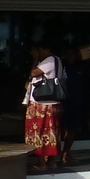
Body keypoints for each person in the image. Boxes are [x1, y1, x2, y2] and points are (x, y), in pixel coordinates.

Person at [24, 42, 65, 171]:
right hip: (52, 103)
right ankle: (51, 161)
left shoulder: (49, 60)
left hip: (41, 104)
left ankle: (41, 163)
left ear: (47, 49)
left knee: (37, 132)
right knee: (51, 132)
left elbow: (34, 72)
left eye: (40, 50)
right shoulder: (58, 61)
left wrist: (35, 59)